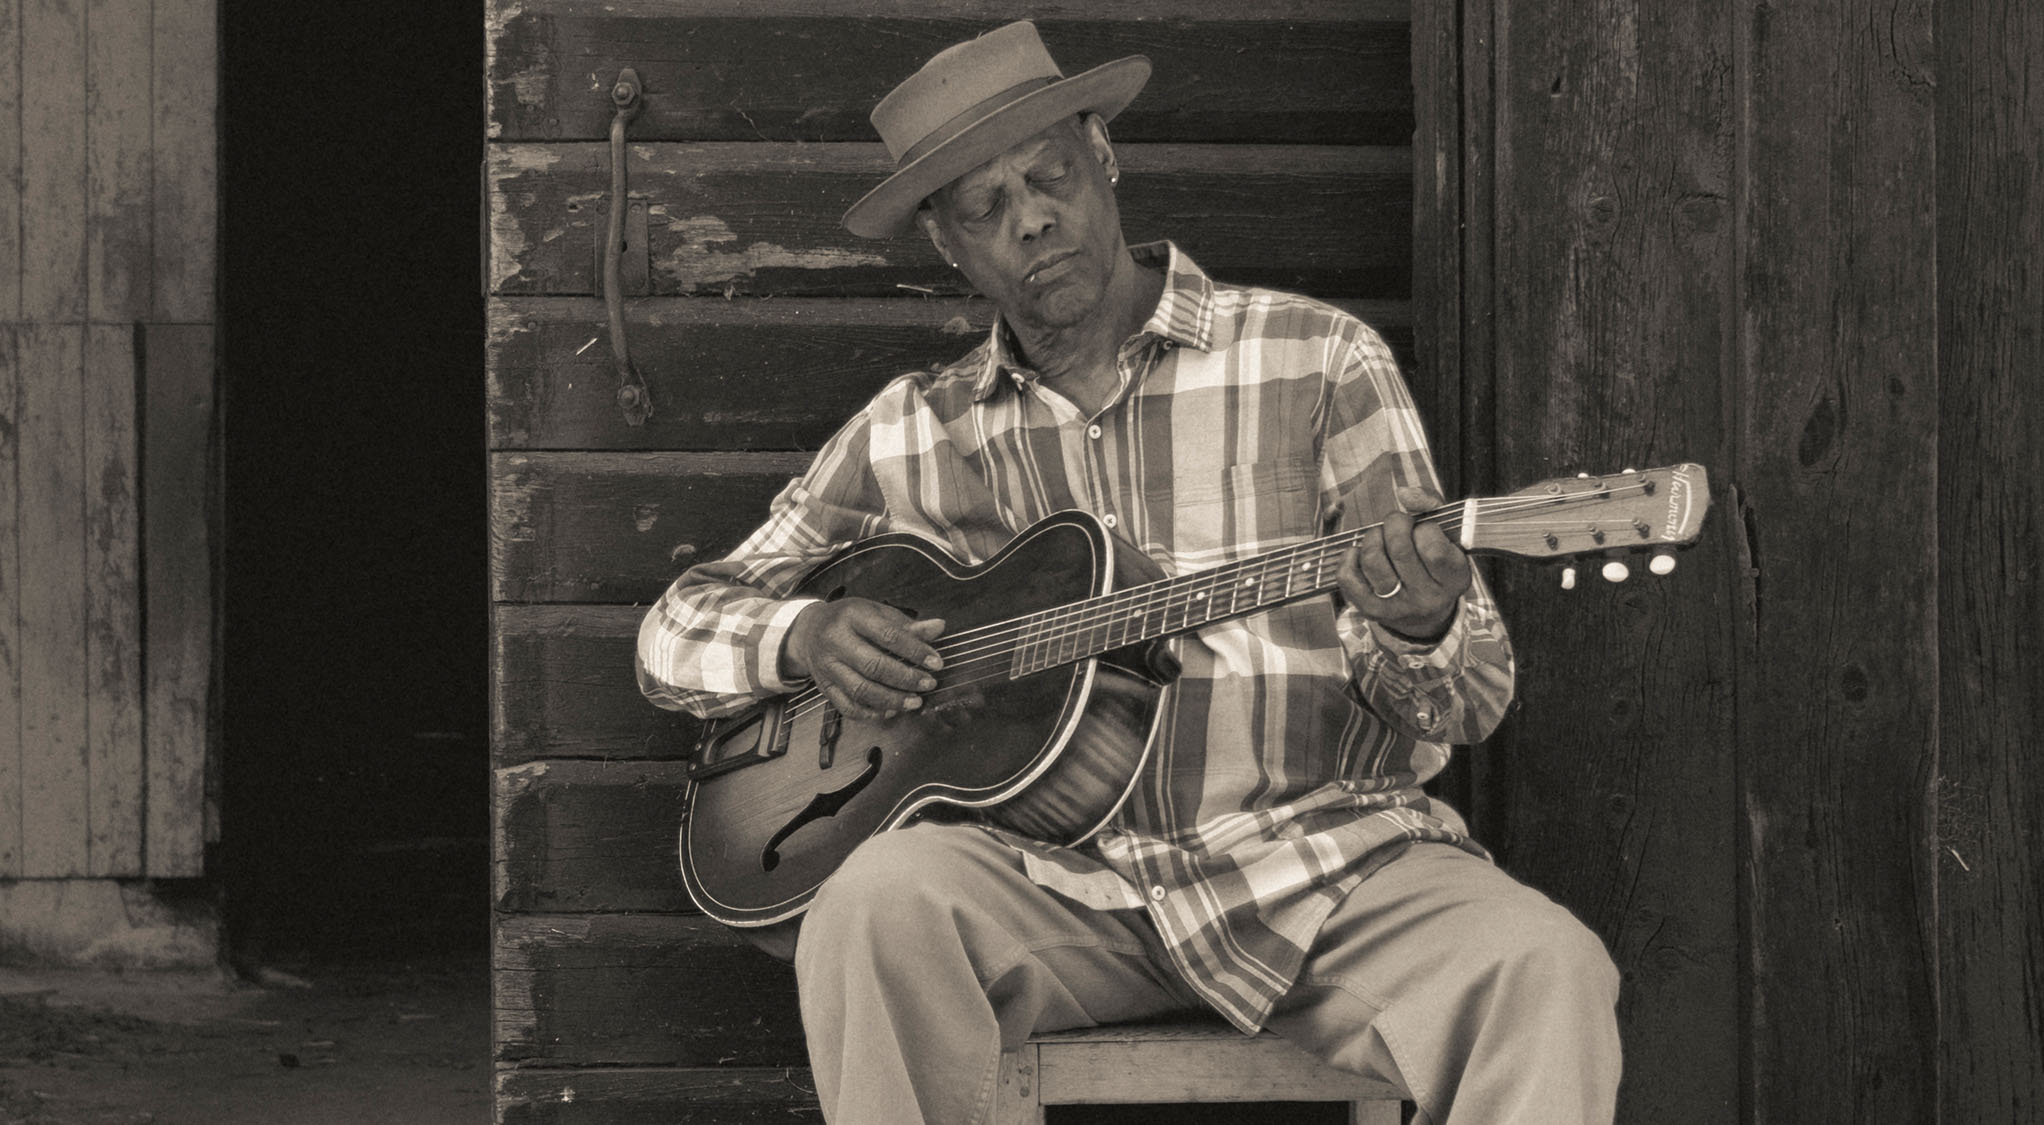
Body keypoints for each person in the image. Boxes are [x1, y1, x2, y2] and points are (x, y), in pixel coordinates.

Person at [636, 22, 1620, 1125]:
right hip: (1048, 885)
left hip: (1326, 866)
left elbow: (1471, 700)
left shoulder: (1316, 359)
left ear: (1103, 156)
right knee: (871, 909)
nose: (1032, 218)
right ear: (949, 247)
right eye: (984, 208)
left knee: (1546, 967)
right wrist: (803, 636)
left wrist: (1423, 622)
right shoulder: (911, 432)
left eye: (1049, 174)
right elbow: (676, 628)